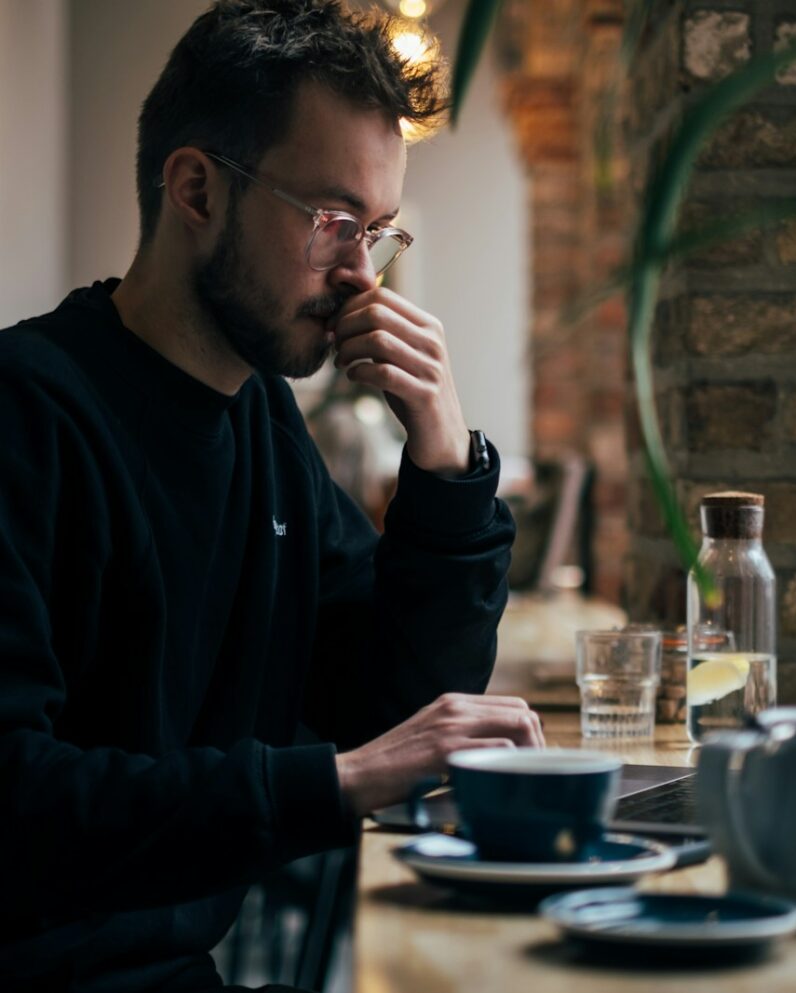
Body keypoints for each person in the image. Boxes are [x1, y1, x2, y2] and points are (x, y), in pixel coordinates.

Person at [0, 1, 544, 990]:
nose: (359, 279)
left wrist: (445, 459)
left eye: (378, 233)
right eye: (334, 222)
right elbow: (14, 800)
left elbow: (394, 698)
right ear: (197, 189)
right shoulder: (24, 414)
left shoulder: (260, 427)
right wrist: (332, 782)